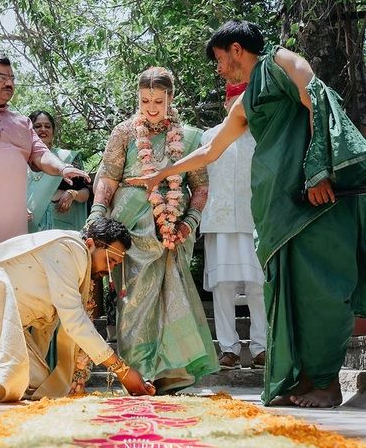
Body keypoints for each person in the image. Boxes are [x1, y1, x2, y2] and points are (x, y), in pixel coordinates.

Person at [127, 21, 366, 408]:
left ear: (236, 49)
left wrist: (318, 169)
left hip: (316, 197)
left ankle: (326, 382)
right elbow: (210, 152)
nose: (220, 70)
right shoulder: (245, 101)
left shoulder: (283, 61)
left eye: (220, 60)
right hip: (279, 205)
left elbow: (318, 101)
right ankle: (304, 380)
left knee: (322, 290)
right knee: (289, 292)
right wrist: (162, 173)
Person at [87, 66, 219, 394]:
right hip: (130, 228)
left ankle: (171, 374)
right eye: (145, 100)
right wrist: (98, 211)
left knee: (170, 297)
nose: (150, 107)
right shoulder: (124, 132)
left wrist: (190, 221)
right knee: (133, 301)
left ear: (170, 98)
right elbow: (108, 176)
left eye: (158, 100)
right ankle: (139, 371)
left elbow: (201, 186)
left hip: (172, 229)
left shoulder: (189, 138)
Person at [0, 218, 156, 402]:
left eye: (115, 265)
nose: (108, 271)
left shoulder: (81, 270)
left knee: (32, 382)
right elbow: (74, 320)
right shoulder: (68, 248)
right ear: (90, 243)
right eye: (109, 261)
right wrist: (122, 370)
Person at [0, 53, 89, 262]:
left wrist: (62, 168)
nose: (9, 83)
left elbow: (41, 154)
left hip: (10, 226)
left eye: (12, 78)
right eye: (1, 77)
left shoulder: (22, 122)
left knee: (9, 278)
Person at [201, 82, 266, 370]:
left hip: (255, 219)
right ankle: (228, 349)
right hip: (220, 218)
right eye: (234, 100)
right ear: (227, 104)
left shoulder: (264, 136)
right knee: (223, 286)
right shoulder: (210, 136)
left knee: (257, 285)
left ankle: (262, 347)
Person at [27, 110, 90, 232]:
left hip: (60, 229)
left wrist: (72, 193)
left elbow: (85, 193)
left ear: (53, 132)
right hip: (27, 229)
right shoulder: (20, 160)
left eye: (47, 126)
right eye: (38, 126)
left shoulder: (67, 159)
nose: (43, 129)